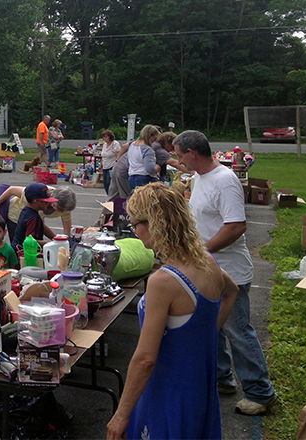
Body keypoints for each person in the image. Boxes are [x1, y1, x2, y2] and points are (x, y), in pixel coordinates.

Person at [106, 183, 238, 440]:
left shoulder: (164, 281)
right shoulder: (206, 260)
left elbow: (145, 359)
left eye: (135, 225)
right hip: (198, 385)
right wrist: (201, 337)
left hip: (167, 391)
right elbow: (231, 292)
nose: (135, 232)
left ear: (153, 224)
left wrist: (121, 415)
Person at [173, 130, 277, 416]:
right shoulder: (199, 178)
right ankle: (222, 379)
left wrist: (201, 251)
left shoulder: (225, 180)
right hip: (208, 269)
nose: (178, 161)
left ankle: (261, 392)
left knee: (238, 331)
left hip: (230, 272)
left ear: (193, 153)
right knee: (212, 327)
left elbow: (236, 226)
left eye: (180, 155)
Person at [0, 184, 75, 241]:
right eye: (60, 209)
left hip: (33, 220)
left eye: (65, 210)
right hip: (16, 216)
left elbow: (67, 233)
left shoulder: (65, 208)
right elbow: (11, 190)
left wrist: (61, 241)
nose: (62, 212)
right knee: (21, 245)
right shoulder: (37, 194)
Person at [11, 183, 60, 249]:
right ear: (36, 200)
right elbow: (29, 242)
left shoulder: (26, 210)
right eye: (45, 201)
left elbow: (43, 227)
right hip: (23, 252)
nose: (48, 203)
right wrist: (46, 243)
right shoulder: (34, 219)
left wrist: (55, 238)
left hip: (16, 247)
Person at [127, 125, 160, 191]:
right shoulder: (147, 149)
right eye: (155, 138)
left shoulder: (132, 146)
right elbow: (150, 169)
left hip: (132, 177)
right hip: (145, 178)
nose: (154, 141)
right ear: (151, 136)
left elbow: (128, 163)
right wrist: (157, 168)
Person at [100, 130, 122, 194]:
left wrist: (116, 162)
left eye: (106, 137)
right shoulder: (104, 145)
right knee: (105, 183)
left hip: (112, 166)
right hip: (105, 165)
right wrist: (101, 164)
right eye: (103, 137)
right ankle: (108, 195)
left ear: (110, 137)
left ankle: (112, 195)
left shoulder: (115, 144)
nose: (104, 138)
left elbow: (118, 155)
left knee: (109, 182)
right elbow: (103, 156)